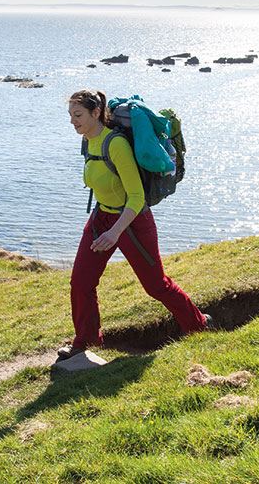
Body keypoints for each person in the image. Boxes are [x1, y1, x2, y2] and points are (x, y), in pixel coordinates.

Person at [58, 89, 208, 359]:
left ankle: (198, 325)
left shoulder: (115, 144)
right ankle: (86, 341)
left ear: (95, 113)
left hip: (132, 222)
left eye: (78, 115)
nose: (73, 121)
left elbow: (137, 197)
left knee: (156, 286)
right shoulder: (87, 142)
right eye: (70, 115)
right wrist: (105, 227)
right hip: (101, 217)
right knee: (81, 282)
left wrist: (114, 233)